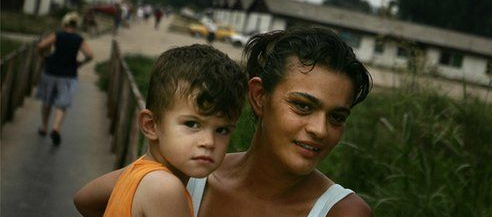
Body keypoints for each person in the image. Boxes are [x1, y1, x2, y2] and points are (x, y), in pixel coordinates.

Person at [74, 26, 373, 217]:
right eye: (302, 105)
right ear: (258, 96)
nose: (320, 130)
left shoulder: (342, 213)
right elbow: (87, 201)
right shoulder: (185, 173)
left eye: (337, 117)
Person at [102, 44, 247, 217]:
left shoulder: (135, 171)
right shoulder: (164, 187)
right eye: (192, 124)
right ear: (151, 125)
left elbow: (84, 199)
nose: (209, 142)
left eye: (222, 130)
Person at [36, 12, 93, 145]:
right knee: (62, 104)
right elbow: (90, 55)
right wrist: (80, 63)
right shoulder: (79, 39)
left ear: (65, 23)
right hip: (68, 74)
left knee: (47, 101)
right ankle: (56, 128)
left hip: (51, 71)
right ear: (76, 25)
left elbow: (41, 45)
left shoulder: (58, 35)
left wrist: (43, 56)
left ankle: (44, 127)